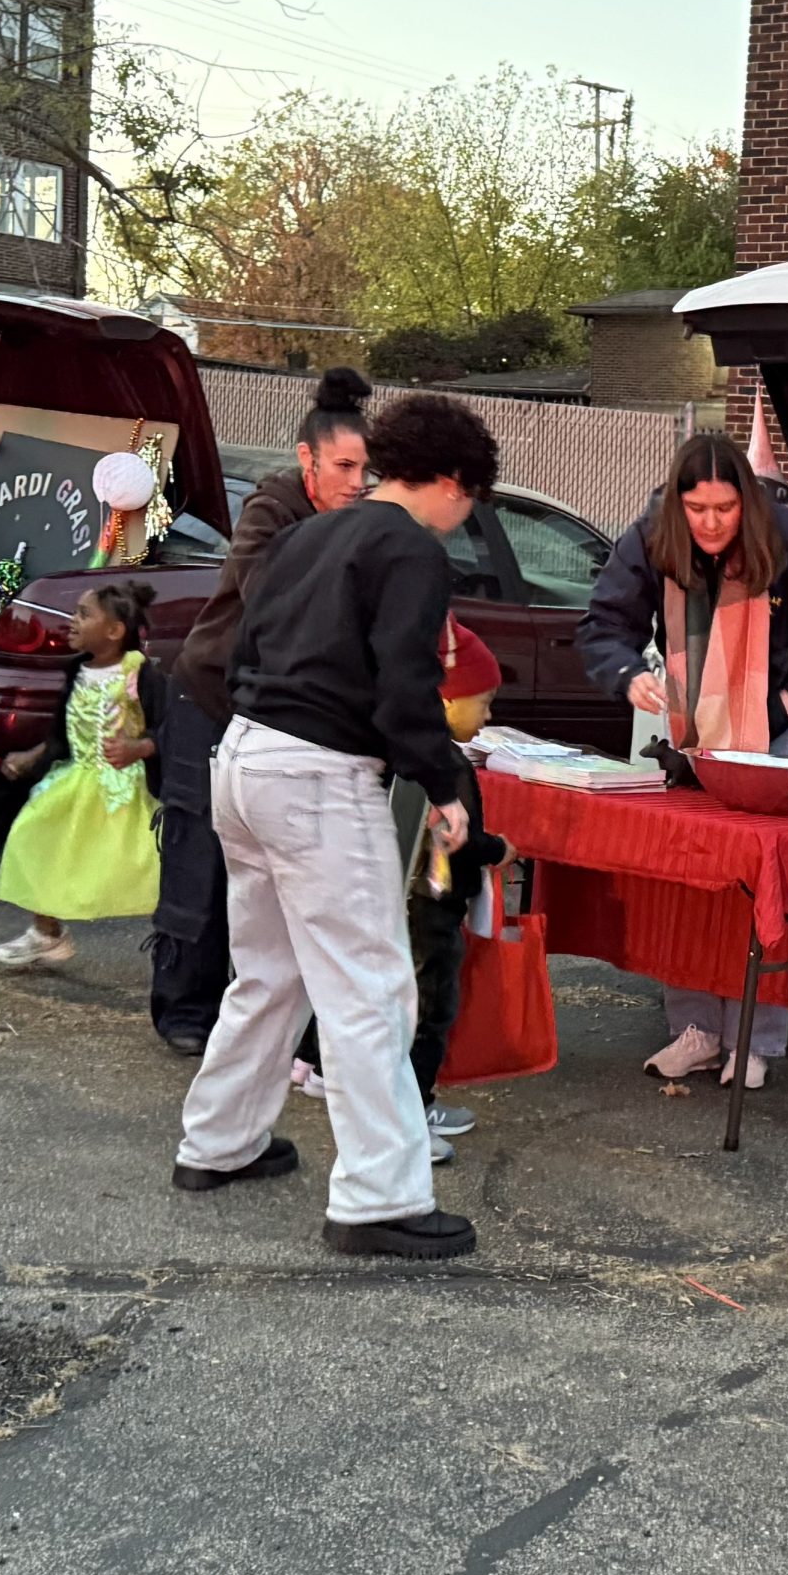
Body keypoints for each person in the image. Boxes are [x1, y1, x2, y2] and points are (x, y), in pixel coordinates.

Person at [172, 393, 499, 1262]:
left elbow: (244, 652)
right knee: (370, 986)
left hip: (242, 757)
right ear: (458, 483)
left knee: (267, 972)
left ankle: (217, 1142)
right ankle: (379, 1195)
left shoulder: (308, 535)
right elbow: (403, 691)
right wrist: (445, 782)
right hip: (319, 775)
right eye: (471, 501)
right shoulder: (412, 553)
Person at [576, 429, 788, 1092]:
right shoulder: (651, 535)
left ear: (746, 505)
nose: (710, 524)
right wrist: (626, 674)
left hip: (780, 724)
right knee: (694, 873)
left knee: (756, 880)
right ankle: (696, 1029)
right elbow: (603, 623)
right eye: (697, 510)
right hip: (693, 728)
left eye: (725, 510)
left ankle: (755, 1039)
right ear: (676, 506)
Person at [153, 368, 373, 1055]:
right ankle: (183, 1006)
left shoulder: (358, 520)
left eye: (366, 467)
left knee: (269, 876)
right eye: (344, 466)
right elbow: (268, 591)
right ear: (308, 460)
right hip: (212, 694)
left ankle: (262, 1018)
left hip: (280, 718)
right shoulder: (271, 508)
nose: (357, 480)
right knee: (200, 855)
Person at [0, 581, 161, 967]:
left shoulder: (139, 674)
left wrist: (141, 747)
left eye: (83, 614)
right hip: (78, 779)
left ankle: (179, 944)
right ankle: (46, 933)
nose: (72, 621)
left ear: (115, 632)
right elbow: (61, 734)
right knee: (35, 836)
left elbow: (170, 726)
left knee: (147, 866)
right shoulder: (75, 671)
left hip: (127, 787)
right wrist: (33, 756)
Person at [410, 617, 508, 1157]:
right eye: (484, 701)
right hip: (434, 903)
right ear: (448, 699)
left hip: (420, 899)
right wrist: (500, 849)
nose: (488, 715)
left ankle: (418, 1099)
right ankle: (412, 1112)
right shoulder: (442, 763)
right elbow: (461, 838)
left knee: (422, 1005)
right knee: (432, 1008)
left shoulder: (430, 754)